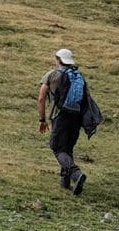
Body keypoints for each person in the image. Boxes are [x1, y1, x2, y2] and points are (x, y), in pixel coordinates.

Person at [37, 48, 90, 196]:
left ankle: (76, 174)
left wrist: (42, 119)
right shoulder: (79, 77)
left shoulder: (52, 75)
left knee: (57, 147)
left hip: (60, 116)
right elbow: (87, 99)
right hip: (76, 117)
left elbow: (41, 98)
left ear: (58, 60)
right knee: (67, 148)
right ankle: (65, 183)